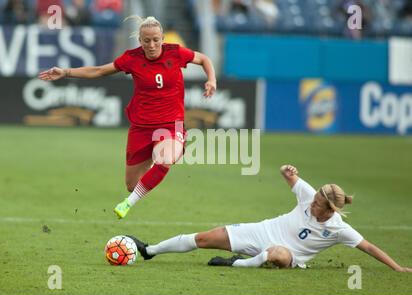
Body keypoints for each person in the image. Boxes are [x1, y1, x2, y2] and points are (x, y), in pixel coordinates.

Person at [38, 15, 217, 219]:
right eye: (146, 40)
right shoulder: (131, 58)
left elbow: (203, 59)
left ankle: (127, 204)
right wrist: (66, 72)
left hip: (171, 125)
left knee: (166, 158)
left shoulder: (175, 53)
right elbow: (99, 71)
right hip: (141, 127)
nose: (151, 45)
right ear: (139, 40)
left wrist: (211, 79)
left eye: (156, 40)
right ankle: (150, 168)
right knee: (133, 185)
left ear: (163, 39)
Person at [126, 164, 412, 272]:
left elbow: (370, 247)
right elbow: (292, 178)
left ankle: (236, 264)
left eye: (316, 205)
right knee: (203, 238)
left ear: (330, 210)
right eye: (312, 200)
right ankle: (150, 250)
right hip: (261, 231)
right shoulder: (308, 196)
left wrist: (397, 268)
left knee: (278, 255)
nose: (311, 205)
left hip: (289, 255)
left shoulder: (339, 229)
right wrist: (288, 171)